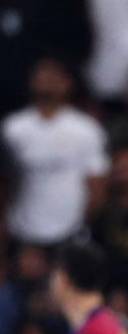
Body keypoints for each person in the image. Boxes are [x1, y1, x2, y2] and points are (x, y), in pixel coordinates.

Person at [3, 57, 108, 246]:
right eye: (41, 76)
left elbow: (97, 184)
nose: (47, 81)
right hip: (21, 231)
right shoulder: (12, 129)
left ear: (67, 83)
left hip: (70, 233)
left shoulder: (86, 129)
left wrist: (83, 225)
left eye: (54, 77)